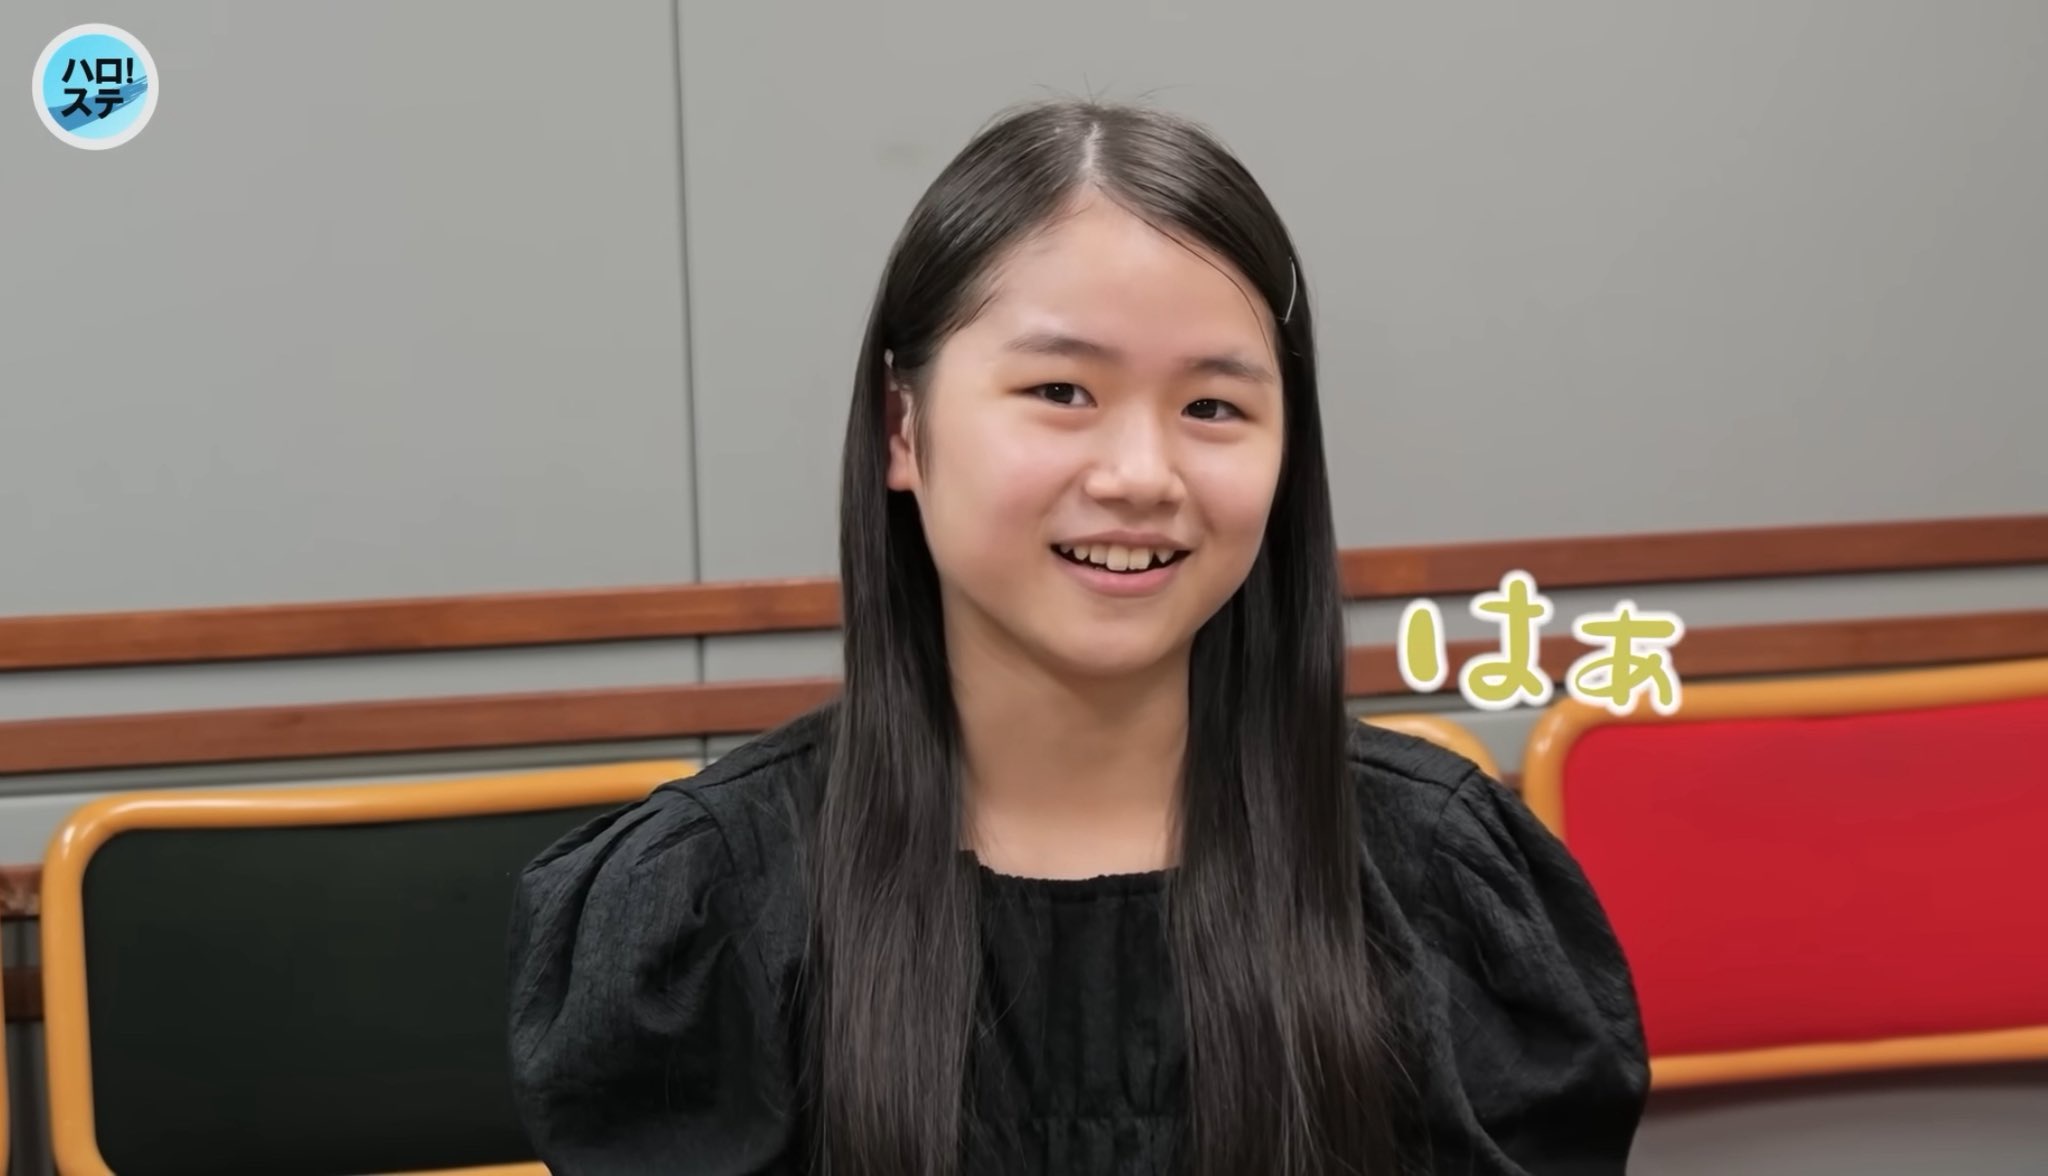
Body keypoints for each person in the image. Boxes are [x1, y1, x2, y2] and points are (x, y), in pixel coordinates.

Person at [506, 98, 1650, 1175]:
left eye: (1212, 407)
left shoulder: (1436, 881)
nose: (1140, 476)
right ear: (901, 428)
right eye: (1060, 391)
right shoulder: (706, 904)